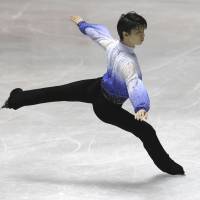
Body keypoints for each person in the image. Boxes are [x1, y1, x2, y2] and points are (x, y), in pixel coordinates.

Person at [1, 11, 185, 175]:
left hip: (97, 87)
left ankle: (16, 99)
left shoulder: (113, 45)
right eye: (139, 32)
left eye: (143, 31)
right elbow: (134, 83)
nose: (143, 36)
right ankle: (171, 168)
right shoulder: (128, 62)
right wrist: (141, 106)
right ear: (125, 34)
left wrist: (82, 24)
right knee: (147, 131)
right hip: (106, 107)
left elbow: (98, 35)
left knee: (56, 92)